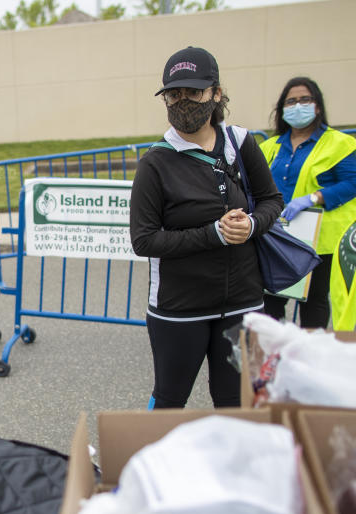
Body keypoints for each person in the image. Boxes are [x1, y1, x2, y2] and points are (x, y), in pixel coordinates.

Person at [130, 47, 283, 408]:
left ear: (215, 93)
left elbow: (271, 201)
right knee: (169, 400)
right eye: (174, 93)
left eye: (193, 92)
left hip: (243, 304)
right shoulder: (154, 163)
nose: (183, 102)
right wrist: (213, 234)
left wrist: (250, 225)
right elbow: (144, 239)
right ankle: (150, 461)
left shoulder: (241, 143)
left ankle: (232, 465)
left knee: (235, 402)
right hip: (179, 309)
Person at [259, 77, 356, 329]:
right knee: (269, 304)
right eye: (291, 101)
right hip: (277, 237)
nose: (297, 105)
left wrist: (314, 198)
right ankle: (270, 364)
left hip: (319, 241)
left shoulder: (340, 144)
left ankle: (309, 364)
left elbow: (352, 183)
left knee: (313, 305)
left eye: (305, 99)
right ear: (282, 109)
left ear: (318, 106)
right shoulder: (269, 147)